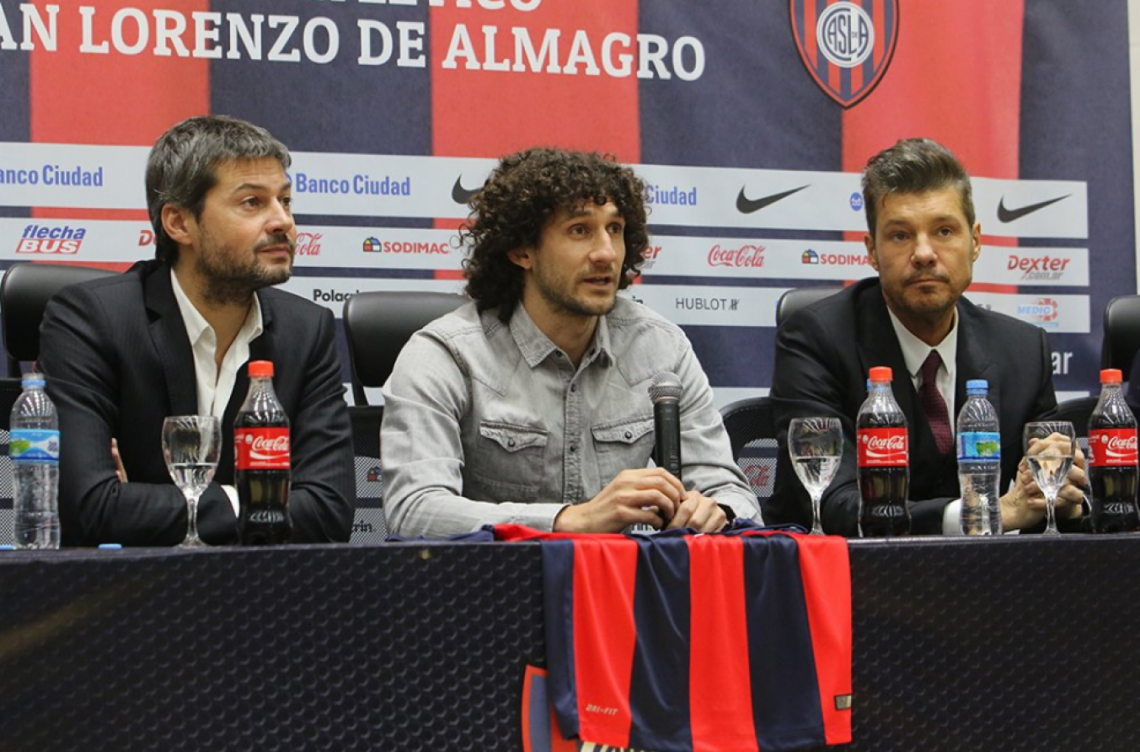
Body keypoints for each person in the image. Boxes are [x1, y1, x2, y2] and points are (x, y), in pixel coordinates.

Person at [381, 147, 759, 538]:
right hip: (492, 589)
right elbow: (415, 510)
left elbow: (732, 493)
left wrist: (716, 510)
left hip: (619, 590)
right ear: (521, 250)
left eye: (614, 229)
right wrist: (569, 520)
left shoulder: (661, 348)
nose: (606, 254)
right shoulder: (447, 355)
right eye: (580, 230)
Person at [39, 115, 355, 546]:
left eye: (285, 201)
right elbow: (88, 507)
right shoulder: (94, 319)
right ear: (179, 223)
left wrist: (150, 504)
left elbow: (328, 512)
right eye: (252, 203)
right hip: (126, 598)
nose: (282, 221)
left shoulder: (307, 331)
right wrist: (259, 506)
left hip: (264, 597)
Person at [769, 137, 1086, 536]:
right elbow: (832, 505)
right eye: (900, 235)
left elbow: (1054, 497)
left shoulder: (1023, 350)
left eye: (944, 231)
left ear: (975, 242)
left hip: (986, 584)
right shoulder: (815, 339)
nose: (923, 253)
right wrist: (982, 514)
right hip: (844, 583)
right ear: (871, 251)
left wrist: (1064, 494)